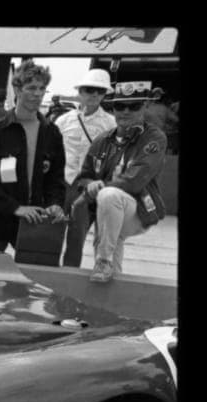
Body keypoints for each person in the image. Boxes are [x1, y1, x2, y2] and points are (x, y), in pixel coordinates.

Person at [73, 81, 168, 283]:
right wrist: (89, 184)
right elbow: (83, 177)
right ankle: (112, 288)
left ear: (145, 106)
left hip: (139, 210)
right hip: (108, 211)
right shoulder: (102, 140)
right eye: (119, 106)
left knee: (108, 196)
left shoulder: (154, 137)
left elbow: (135, 180)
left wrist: (99, 188)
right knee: (110, 240)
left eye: (133, 106)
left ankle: (103, 262)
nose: (125, 111)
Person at [0, 59, 66, 254]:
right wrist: (16, 208)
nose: (38, 94)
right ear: (17, 89)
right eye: (31, 88)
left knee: (33, 278)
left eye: (42, 88)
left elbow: (56, 179)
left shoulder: (51, 133)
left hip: (34, 219)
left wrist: (54, 204)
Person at [55, 69, 116, 267]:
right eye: (90, 90)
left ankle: (69, 279)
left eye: (100, 91)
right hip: (61, 185)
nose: (95, 95)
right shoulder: (63, 120)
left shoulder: (110, 124)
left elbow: (114, 159)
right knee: (52, 234)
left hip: (86, 188)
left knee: (76, 239)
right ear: (80, 92)